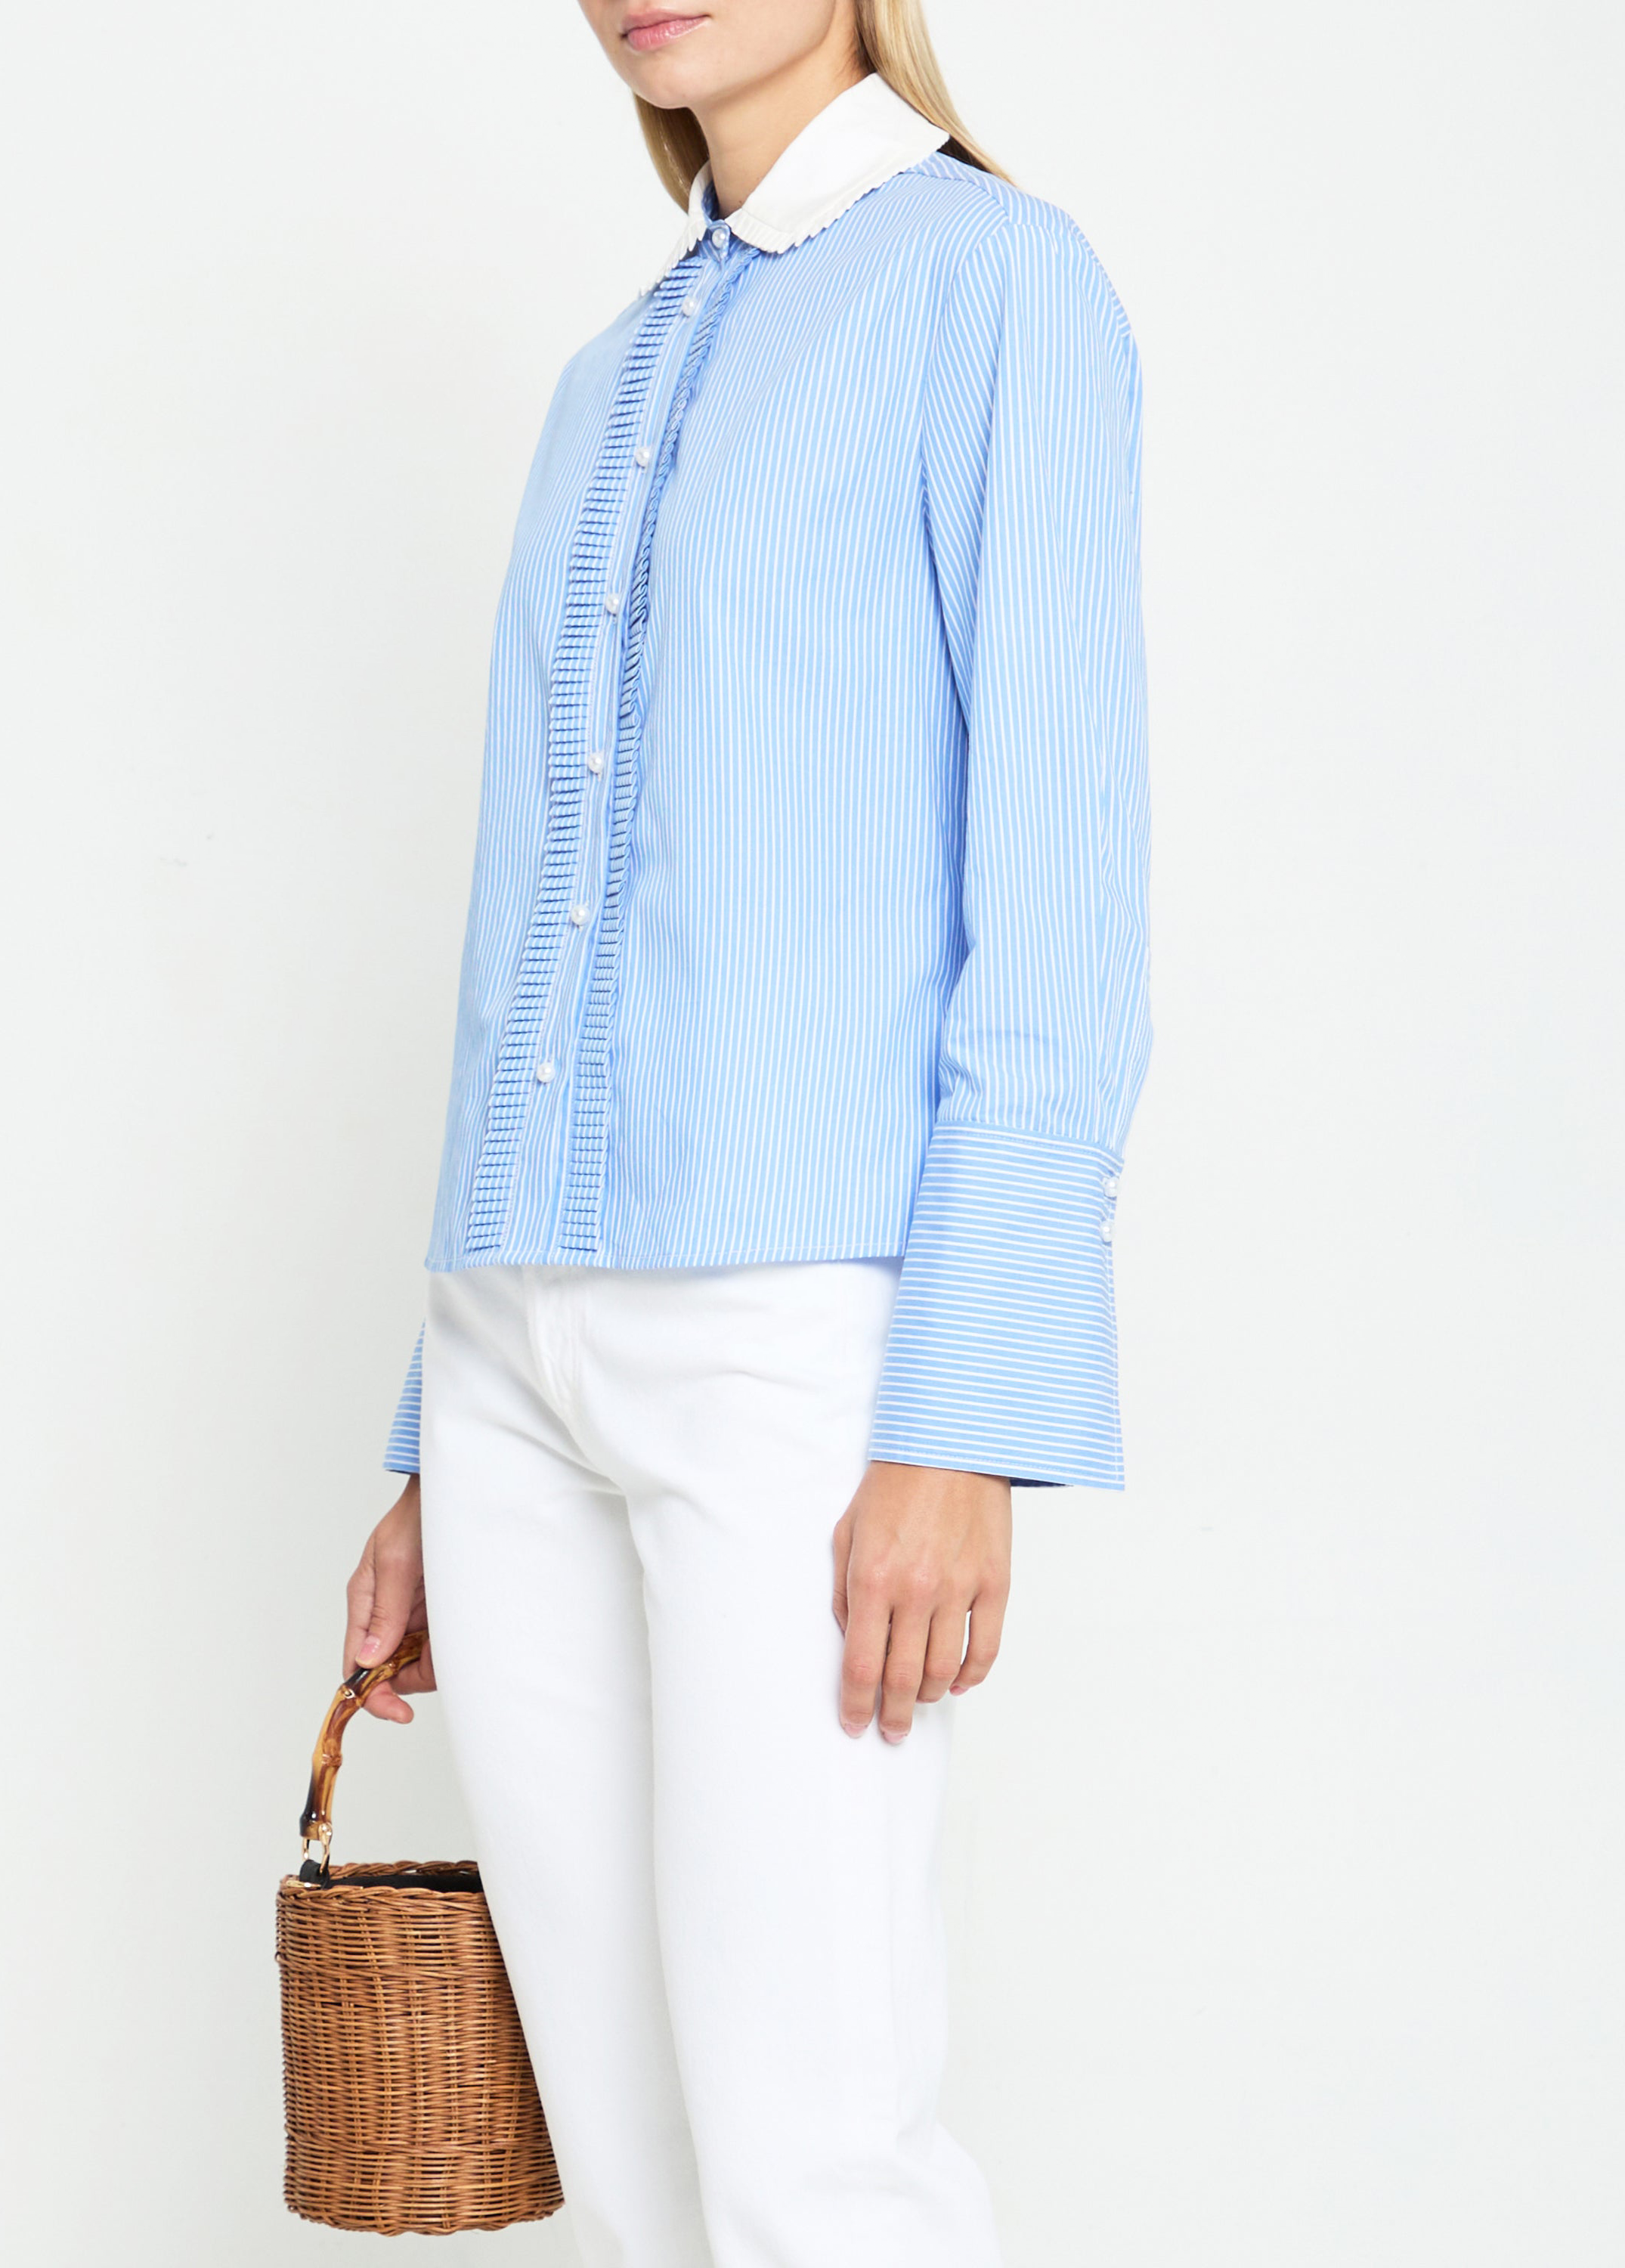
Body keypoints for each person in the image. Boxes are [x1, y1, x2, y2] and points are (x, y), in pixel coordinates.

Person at [342, 2, 1150, 2260]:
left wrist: (967, 1413)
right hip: (513, 1352)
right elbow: (537, 914)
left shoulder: (994, 283)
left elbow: (1059, 882)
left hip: (791, 1335)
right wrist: (432, 1432)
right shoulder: (607, 373)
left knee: (812, 2153)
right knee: (631, 2168)